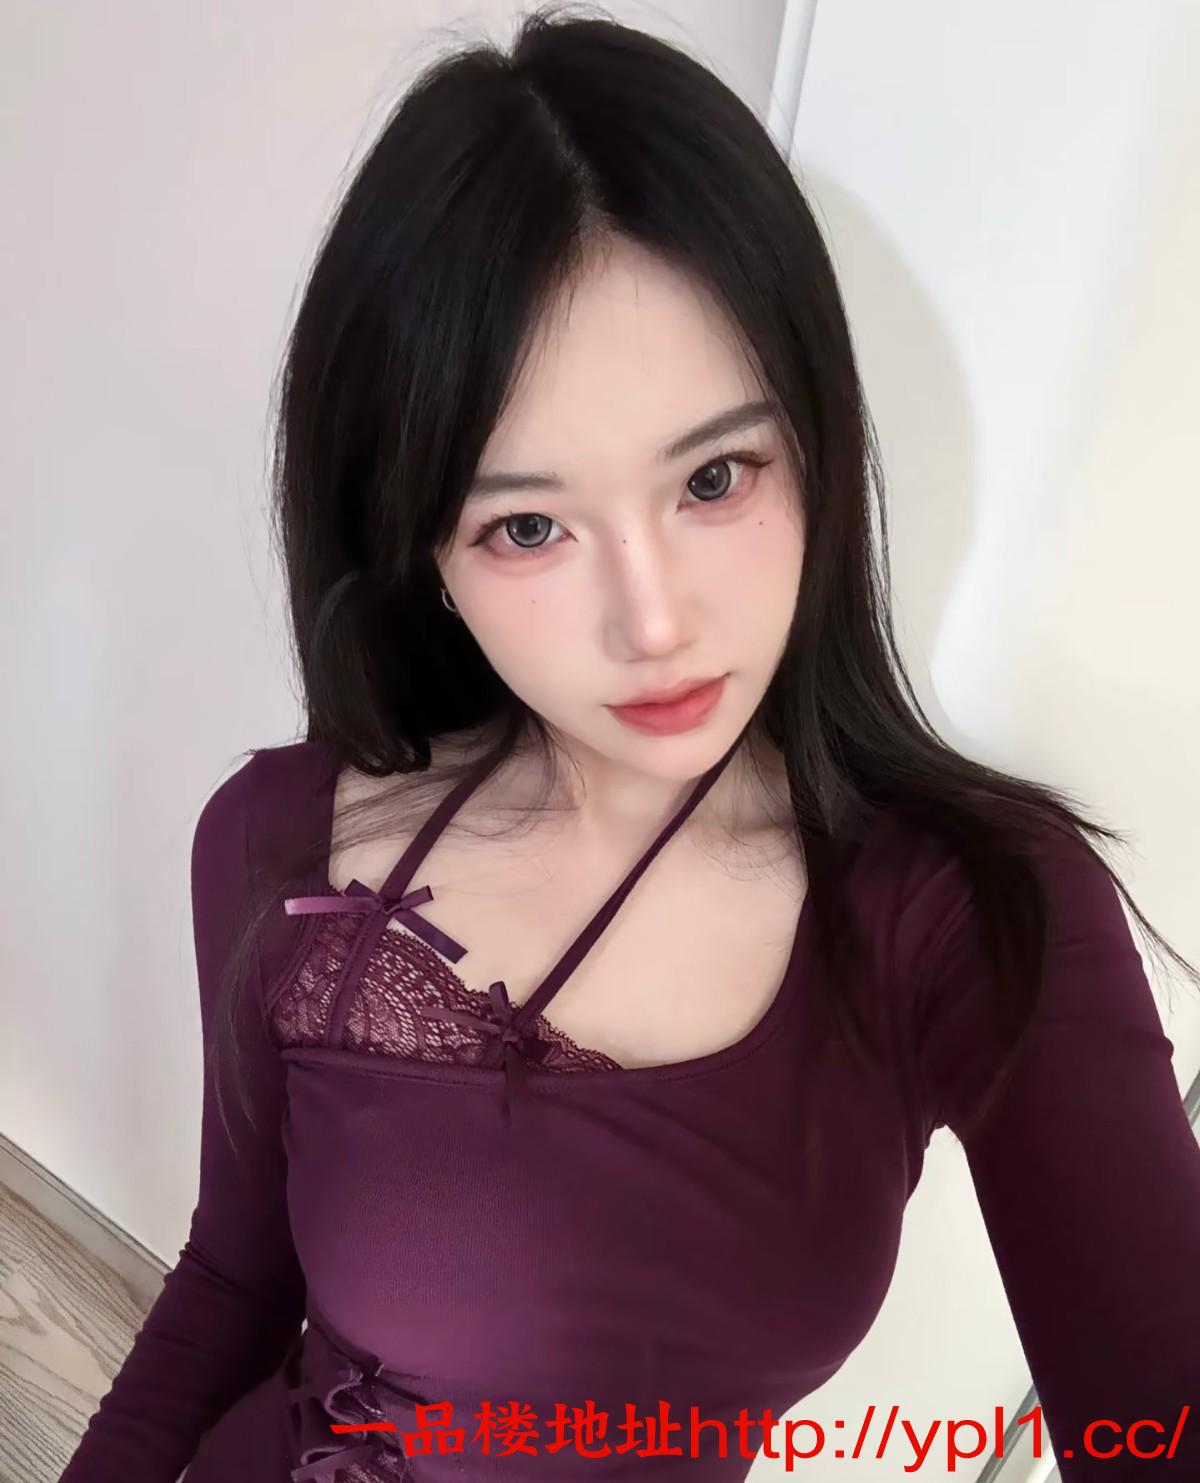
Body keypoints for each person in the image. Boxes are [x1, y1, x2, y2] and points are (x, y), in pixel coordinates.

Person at [59, 6, 1200, 1481]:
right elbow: (230, 1284)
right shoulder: (282, 844)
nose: (653, 622)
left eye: (714, 478)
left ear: (816, 447)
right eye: (529, 526)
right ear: (421, 551)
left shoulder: (972, 911)